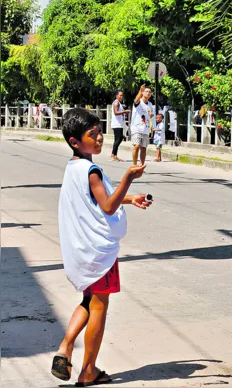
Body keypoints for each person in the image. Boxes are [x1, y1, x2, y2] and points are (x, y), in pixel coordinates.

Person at [51, 108, 152, 386]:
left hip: (81, 250)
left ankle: (65, 347)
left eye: (99, 133)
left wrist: (130, 199)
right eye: (91, 135)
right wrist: (128, 179)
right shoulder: (92, 170)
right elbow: (107, 206)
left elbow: (98, 200)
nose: (99, 139)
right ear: (75, 141)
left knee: (87, 301)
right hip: (98, 252)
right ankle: (87, 372)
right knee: (99, 306)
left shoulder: (74, 167)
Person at [130, 85, 154, 166]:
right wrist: (140, 91)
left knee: (143, 149)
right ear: (143, 93)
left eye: (150, 92)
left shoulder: (150, 104)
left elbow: (150, 115)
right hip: (136, 128)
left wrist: (151, 117)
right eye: (146, 91)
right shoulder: (138, 102)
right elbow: (135, 100)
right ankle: (134, 165)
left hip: (146, 129)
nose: (148, 93)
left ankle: (141, 165)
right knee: (136, 146)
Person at [110, 90, 128, 162]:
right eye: (120, 95)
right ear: (116, 96)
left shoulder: (119, 103)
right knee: (118, 139)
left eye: (122, 95)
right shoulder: (116, 103)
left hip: (119, 124)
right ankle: (113, 154)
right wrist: (125, 111)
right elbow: (116, 112)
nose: (121, 97)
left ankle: (115, 155)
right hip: (117, 124)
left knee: (118, 139)